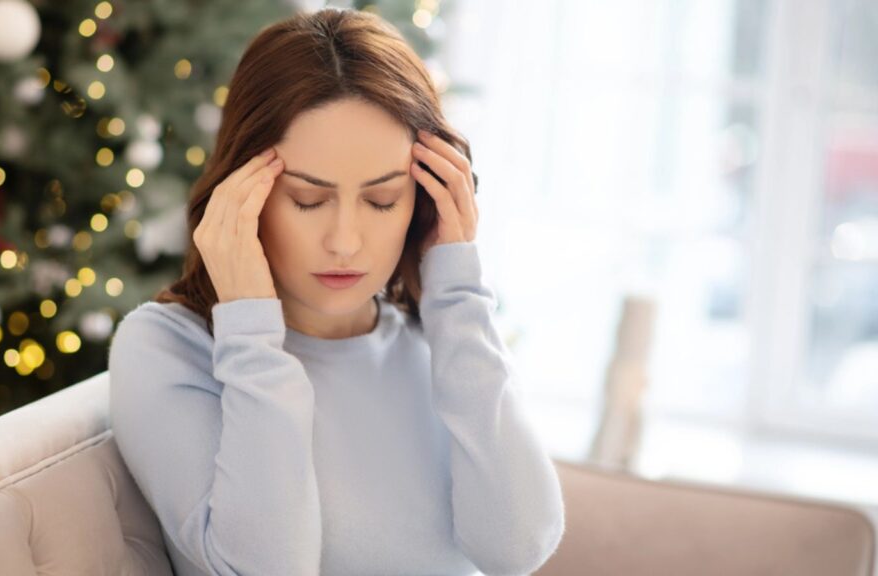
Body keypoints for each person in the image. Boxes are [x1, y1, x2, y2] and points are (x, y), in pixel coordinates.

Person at [108, 7, 564, 576]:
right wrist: (249, 331)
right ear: (241, 192)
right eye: (307, 198)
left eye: (381, 200)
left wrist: (457, 297)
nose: (345, 241)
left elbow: (519, 548)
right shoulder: (167, 349)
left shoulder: (440, 341)